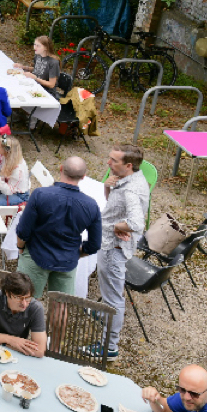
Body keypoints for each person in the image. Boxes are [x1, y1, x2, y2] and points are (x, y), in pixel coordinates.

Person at [86, 143, 150, 360]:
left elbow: (136, 223)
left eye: (113, 160)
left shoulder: (131, 189)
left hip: (114, 249)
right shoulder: (130, 179)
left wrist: (115, 227)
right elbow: (114, 205)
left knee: (114, 298)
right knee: (108, 291)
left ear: (129, 165)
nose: (108, 162)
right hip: (111, 244)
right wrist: (107, 186)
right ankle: (104, 313)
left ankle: (109, 347)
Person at [13, 156, 102, 297]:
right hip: (67, 261)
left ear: (61, 168)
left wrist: (20, 247)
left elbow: (23, 230)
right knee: (60, 309)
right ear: (84, 176)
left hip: (36, 255)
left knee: (23, 300)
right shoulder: (92, 206)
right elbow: (95, 244)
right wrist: (75, 253)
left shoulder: (40, 194)